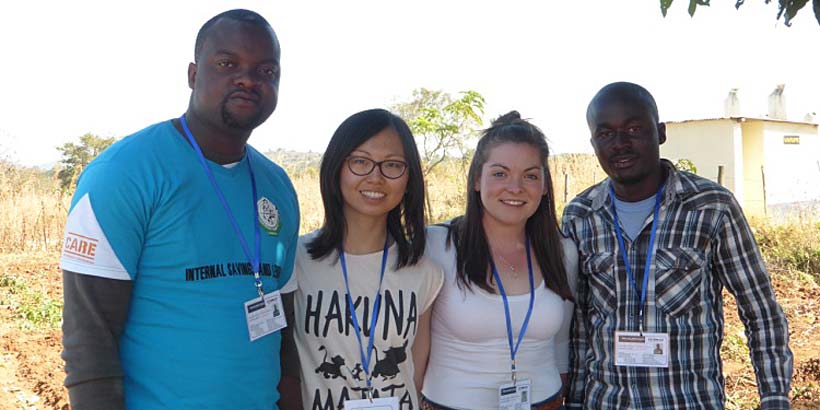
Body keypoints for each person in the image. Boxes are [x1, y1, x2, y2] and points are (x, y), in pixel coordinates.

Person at [59, 9, 299, 409]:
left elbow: (285, 337)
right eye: (227, 64)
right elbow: (90, 343)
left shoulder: (277, 186)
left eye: (266, 70)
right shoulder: (123, 173)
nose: (247, 79)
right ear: (192, 74)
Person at [562, 82, 793, 409]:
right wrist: (573, 400)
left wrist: (774, 396)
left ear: (660, 133)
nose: (620, 144)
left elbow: (760, 311)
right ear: (593, 143)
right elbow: (579, 327)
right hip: (605, 401)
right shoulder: (580, 216)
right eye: (606, 134)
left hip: (686, 401)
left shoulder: (711, 208)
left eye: (634, 128)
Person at [278, 108, 443, 410]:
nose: (376, 177)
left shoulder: (425, 272)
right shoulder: (295, 260)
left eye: (392, 165)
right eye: (360, 162)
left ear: (409, 177)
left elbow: (414, 376)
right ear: (336, 167)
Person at [422, 111, 577, 410]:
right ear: (477, 179)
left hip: (544, 402)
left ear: (544, 186)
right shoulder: (436, 246)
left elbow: (561, 345)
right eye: (500, 173)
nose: (515, 187)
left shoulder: (563, 251)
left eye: (530, 175)